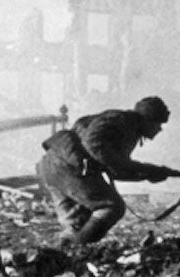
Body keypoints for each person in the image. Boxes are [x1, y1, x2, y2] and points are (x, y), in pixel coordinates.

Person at [37, 96, 172, 244]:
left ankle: (64, 255)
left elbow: (117, 170)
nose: (159, 129)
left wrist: (148, 174)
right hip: (68, 168)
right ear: (147, 119)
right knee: (111, 206)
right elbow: (93, 143)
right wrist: (147, 170)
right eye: (158, 124)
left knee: (78, 222)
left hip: (52, 165)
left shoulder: (126, 126)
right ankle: (79, 248)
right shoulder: (122, 121)